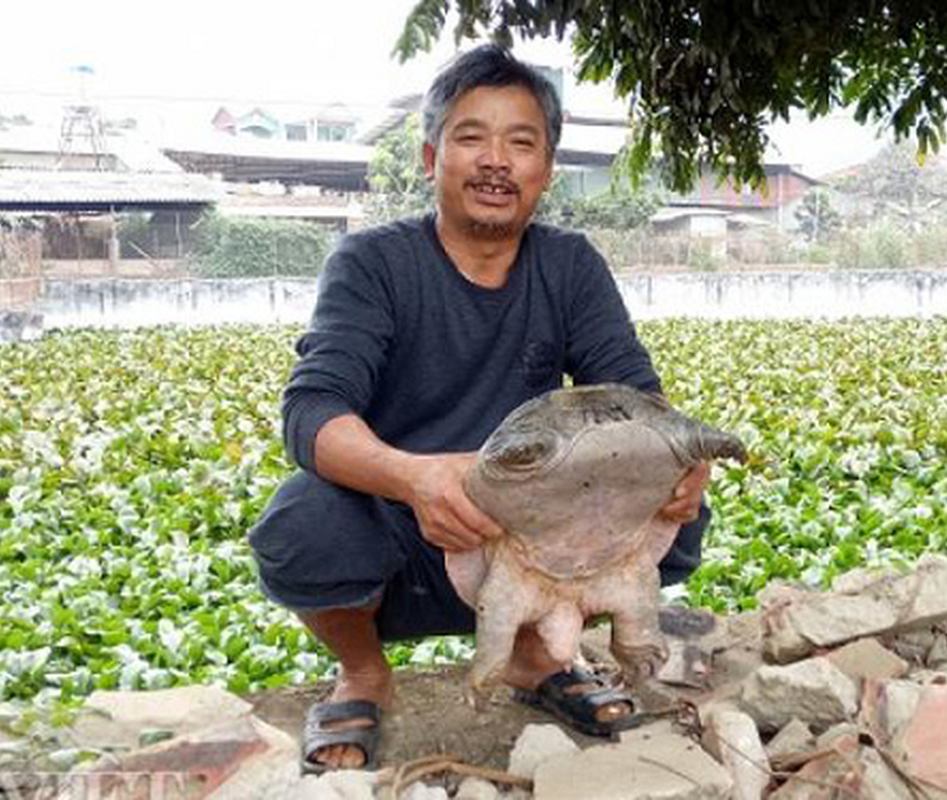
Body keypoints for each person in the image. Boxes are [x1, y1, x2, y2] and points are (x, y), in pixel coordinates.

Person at [248, 43, 712, 773]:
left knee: (674, 515)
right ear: (431, 157)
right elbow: (312, 412)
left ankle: (534, 658)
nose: (496, 160)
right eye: (471, 137)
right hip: (404, 529)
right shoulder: (372, 264)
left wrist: (677, 465)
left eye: (521, 142)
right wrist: (416, 479)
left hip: (532, 534)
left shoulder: (569, 265)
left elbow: (634, 393)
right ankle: (364, 673)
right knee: (303, 523)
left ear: (546, 170)